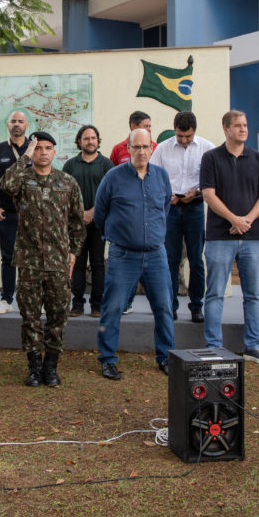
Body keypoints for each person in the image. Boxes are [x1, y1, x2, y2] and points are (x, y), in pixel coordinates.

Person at [0, 132, 86, 386]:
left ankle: (51, 367)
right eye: (39, 148)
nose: (44, 152)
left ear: (54, 152)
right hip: (30, 262)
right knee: (30, 316)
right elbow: (6, 185)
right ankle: (34, 367)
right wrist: (25, 156)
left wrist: (73, 253)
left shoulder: (67, 182)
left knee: (58, 315)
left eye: (48, 148)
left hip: (58, 262)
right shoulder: (23, 179)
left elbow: (77, 223)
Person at [94, 128, 176, 379]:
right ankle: (108, 359)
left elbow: (164, 209)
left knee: (164, 307)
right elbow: (100, 213)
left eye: (145, 147)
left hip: (156, 255)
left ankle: (165, 357)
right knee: (113, 307)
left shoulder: (161, 176)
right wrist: (119, 235)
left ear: (152, 148)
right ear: (128, 148)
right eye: (136, 147)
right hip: (123, 256)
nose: (141, 151)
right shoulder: (113, 177)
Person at [200, 111, 259, 364]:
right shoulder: (211, 158)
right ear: (225, 129)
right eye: (237, 125)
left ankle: (253, 346)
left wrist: (247, 220)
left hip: (252, 237)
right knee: (215, 293)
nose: (243, 129)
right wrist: (233, 219)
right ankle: (213, 346)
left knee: (253, 295)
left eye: (245, 125)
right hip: (220, 236)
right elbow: (208, 194)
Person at [150, 111, 215, 323]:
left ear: (194, 131)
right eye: (180, 136)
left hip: (195, 207)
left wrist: (197, 192)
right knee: (170, 259)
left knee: (196, 259)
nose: (184, 140)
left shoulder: (207, 148)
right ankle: (170, 306)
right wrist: (165, 195)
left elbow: (214, 179)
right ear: (174, 130)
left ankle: (196, 306)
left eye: (188, 136)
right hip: (170, 208)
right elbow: (152, 176)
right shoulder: (162, 149)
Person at [62, 124, 113, 318]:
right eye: (86, 138)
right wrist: (80, 213)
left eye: (93, 138)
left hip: (99, 223)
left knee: (98, 263)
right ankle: (77, 304)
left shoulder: (106, 165)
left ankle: (97, 305)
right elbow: (64, 194)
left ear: (98, 141)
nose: (90, 141)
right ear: (79, 141)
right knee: (77, 263)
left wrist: (92, 212)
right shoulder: (70, 165)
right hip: (76, 224)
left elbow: (111, 194)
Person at [0, 110, 30, 315]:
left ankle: (31, 298)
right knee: (8, 257)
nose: (17, 124)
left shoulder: (35, 148)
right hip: (7, 213)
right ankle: (6, 299)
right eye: (13, 121)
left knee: (32, 257)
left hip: (31, 213)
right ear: (8, 125)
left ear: (27, 125)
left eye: (21, 121)